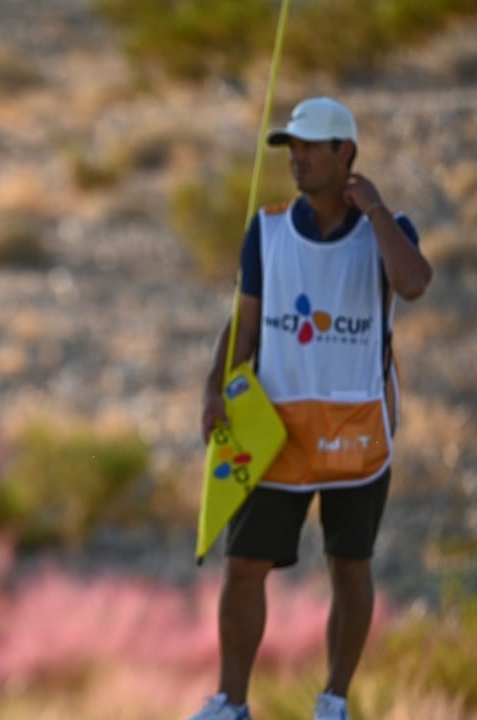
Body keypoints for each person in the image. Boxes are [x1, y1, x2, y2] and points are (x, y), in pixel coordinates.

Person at [188, 97, 432, 720]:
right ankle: (230, 704)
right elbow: (244, 324)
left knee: (350, 568)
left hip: (358, 430)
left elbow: (413, 283)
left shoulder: (388, 229)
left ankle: (333, 702)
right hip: (276, 430)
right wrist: (215, 386)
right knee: (244, 566)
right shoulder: (267, 229)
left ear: (344, 152)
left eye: (308, 146)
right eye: (290, 147)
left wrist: (374, 209)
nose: (294, 157)